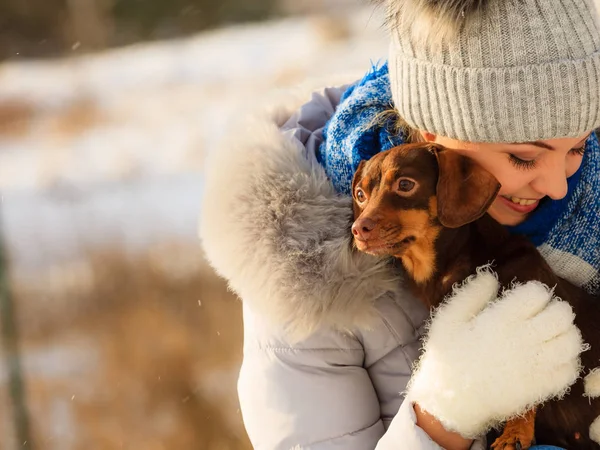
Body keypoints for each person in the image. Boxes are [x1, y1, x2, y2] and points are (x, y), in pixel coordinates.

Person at [199, 0, 600, 448]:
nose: (559, 185)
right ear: (432, 131)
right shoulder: (309, 280)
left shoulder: (590, 213)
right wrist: (444, 413)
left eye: (578, 149)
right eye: (523, 157)